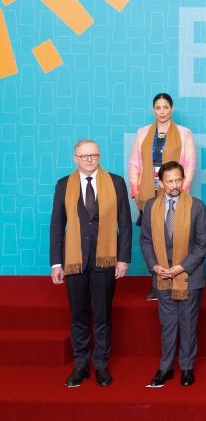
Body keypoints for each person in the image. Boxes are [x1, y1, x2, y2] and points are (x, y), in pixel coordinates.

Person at [49, 139, 131, 387]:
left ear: (100, 156)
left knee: (103, 315)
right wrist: (56, 263)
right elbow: (57, 226)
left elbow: (125, 224)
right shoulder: (64, 185)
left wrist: (123, 258)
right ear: (75, 158)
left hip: (105, 260)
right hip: (74, 261)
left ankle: (102, 365)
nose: (89, 159)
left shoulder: (116, 182)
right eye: (84, 156)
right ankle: (80, 365)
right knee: (79, 315)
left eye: (93, 155)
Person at [139, 161, 206, 387]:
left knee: (188, 323)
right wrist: (154, 266)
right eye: (169, 181)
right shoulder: (151, 206)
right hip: (162, 276)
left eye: (178, 180)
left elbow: (203, 244)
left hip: (189, 276)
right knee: (168, 324)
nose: (174, 185)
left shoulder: (197, 206)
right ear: (161, 183)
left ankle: (187, 367)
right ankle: (166, 367)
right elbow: (146, 240)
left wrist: (181, 267)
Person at [129, 93, 196, 300]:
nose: (162, 111)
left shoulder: (184, 133)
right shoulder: (142, 133)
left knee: (173, 236)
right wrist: (136, 190)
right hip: (149, 191)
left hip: (174, 190)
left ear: (172, 108)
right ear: (153, 110)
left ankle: (176, 279)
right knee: (151, 238)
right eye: (158, 107)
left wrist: (181, 189)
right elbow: (134, 163)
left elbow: (190, 163)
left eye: (165, 107)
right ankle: (156, 283)